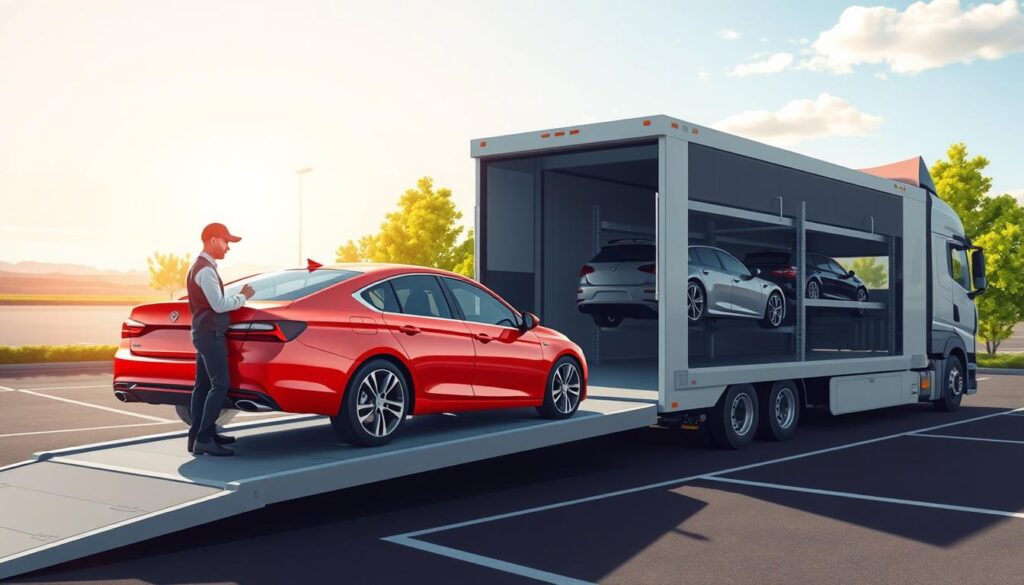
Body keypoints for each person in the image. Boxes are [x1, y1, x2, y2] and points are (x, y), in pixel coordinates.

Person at [186, 222, 255, 456]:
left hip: (202, 333)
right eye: (226, 242)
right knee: (220, 384)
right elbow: (218, 304)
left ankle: (197, 436)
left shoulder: (198, 267)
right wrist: (243, 297)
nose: (228, 248)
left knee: (203, 385)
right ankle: (204, 438)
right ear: (213, 240)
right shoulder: (205, 270)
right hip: (211, 334)